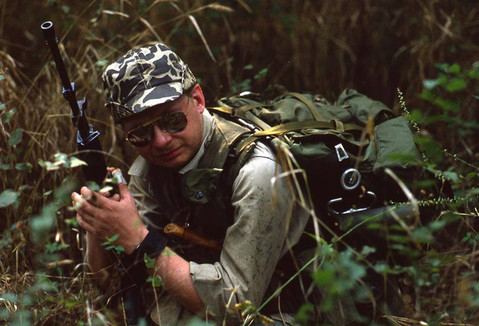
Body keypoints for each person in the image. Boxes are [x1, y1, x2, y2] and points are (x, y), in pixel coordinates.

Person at [71, 43, 311, 325]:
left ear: (198, 99)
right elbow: (113, 286)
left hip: (286, 310)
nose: (161, 141)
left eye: (173, 120)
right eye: (140, 133)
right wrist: (99, 224)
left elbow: (236, 309)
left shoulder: (257, 172)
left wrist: (139, 239)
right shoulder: (148, 172)